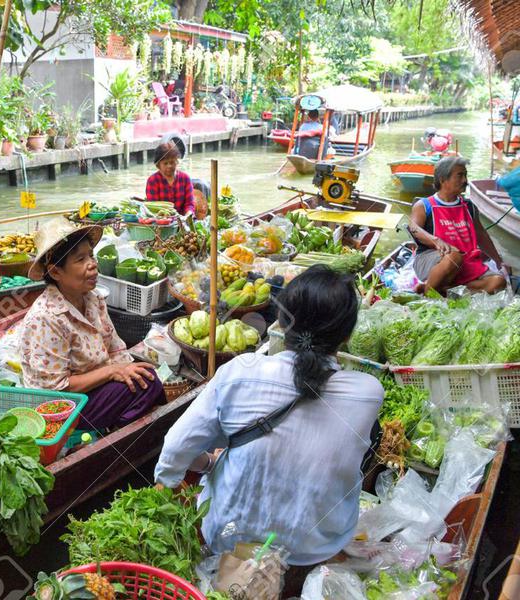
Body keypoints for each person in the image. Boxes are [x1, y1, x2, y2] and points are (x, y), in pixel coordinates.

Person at [155, 266, 383, 570]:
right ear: (345, 336)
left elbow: (176, 447)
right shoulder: (368, 393)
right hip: (313, 550)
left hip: (229, 538)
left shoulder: (240, 372)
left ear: (281, 321)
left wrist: (191, 473)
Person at [20, 217, 166, 430]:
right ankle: (111, 432)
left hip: (96, 386)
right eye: (80, 260)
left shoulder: (93, 298)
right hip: (63, 407)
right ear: (56, 272)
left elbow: (115, 347)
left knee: (145, 376)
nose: (93, 264)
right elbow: (56, 390)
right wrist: (112, 372)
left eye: (91, 255)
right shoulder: (47, 318)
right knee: (147, 384)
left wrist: (127, 368)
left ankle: (122, 427)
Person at [409, 156, 507, 295]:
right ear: (443, 179)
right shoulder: (424, 205)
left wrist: (498, 260)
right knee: (453, 257)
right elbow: (414, 228)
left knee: (498, 282)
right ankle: (427, 294)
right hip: (433, 260)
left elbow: (481, 235)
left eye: (465, 175)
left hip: (466, 261)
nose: (465, 180)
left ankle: (438, 289)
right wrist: (435, 241)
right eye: (460, 175)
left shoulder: (469, 206)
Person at [145, 142, 195, 216]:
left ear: (177, 162)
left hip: (182, 219)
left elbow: (189, 204)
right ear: (158, 165)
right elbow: (153, 207)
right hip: (161, 220)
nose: (169, 166)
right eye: (165, 163)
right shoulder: (152, 181)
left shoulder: (185, 178)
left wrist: (188, 215)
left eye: (172, 162)